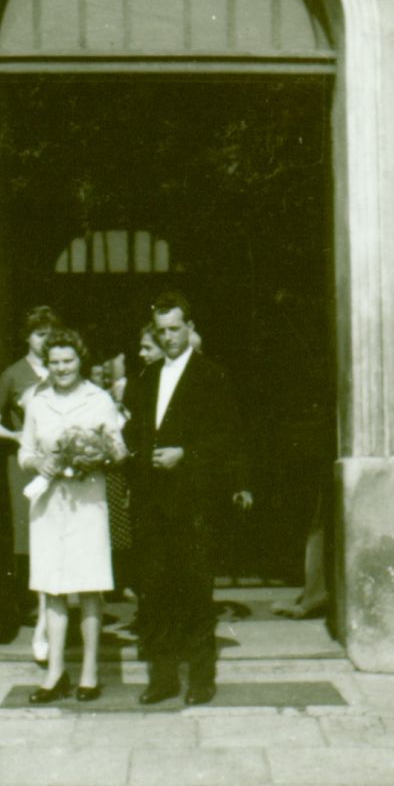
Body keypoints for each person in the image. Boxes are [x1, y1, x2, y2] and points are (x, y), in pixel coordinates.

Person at [124, 291, 252, 706]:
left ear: (190, 328)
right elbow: (132, 434)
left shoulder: (212, 376)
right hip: (151, 503)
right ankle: (162, 677)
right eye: (161, 331)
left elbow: (227, 438)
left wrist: (185, 455)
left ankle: (201, 677)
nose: (169, 338)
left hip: (195, 501)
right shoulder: (146, 378)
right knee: (154, 590)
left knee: (195, 591)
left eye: (175, 329)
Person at [18, 328, 127, 703]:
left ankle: (89, 673)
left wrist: (96, 454)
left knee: (89, 586)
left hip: (87, 503)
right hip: (49, 504)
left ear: (80, 361)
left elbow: (118, 449)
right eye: (54, 362)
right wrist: (39, 462)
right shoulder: (38, 402)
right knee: (52, 588)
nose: (61, 368)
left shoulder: (99, 400)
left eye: (68, 361)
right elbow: (24, 452)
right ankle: (55, 673)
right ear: (46, 365)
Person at [0, 305, 60, 661]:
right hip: (25, 466)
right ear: (27, 337)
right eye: (40, 335)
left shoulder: (62, 368)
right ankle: (37, 610)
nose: (46, 341)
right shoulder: (13, 374)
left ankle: (53, 613)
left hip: (58, 463)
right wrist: (15, 435)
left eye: (50, 334)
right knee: (30, 537)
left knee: (56, 534)